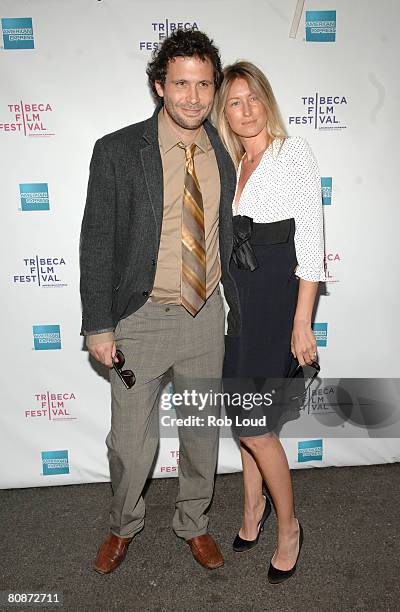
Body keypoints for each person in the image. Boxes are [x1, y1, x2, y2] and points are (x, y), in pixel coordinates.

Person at [79, 29, 240, 574]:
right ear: (159, 87)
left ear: (214, 88)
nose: (193, 97)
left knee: (200, 433)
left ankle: (194, 522)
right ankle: (123, 525)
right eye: (181, 85)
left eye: (203, 85)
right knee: (129, 440)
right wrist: (99, 326)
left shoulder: (226, 149)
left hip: (203, 317)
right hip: (140, 322)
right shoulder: (119, 151)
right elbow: (97, 241)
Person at [214, 61, 325, 584]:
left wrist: (303, 321)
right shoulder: (231, 163)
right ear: (225, 112)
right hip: (236, 304)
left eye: (253, 98)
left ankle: (289, 527)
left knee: (256, 428)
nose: (246, 109)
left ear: (267, 100)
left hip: (275, 301)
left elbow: (311, 247)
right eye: (234, 101)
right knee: (243, 421)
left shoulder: (291, 153)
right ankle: (251, 511)